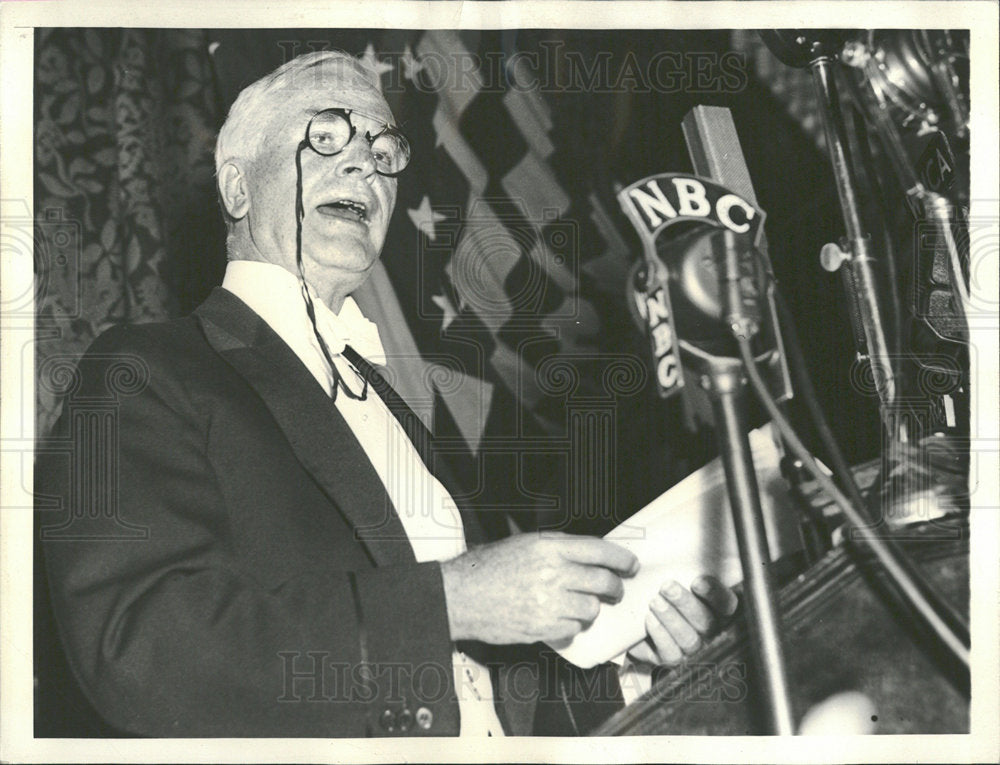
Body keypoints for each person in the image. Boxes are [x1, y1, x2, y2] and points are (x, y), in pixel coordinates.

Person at [37, 50, 737, 738]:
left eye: (382, 147)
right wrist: (453, 601)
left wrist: (632, 669)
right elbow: (141, 650)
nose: (364, 164)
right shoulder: (142, 370)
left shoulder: (397, 404)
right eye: (325, 136)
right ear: (238, 189)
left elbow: (479, 691)